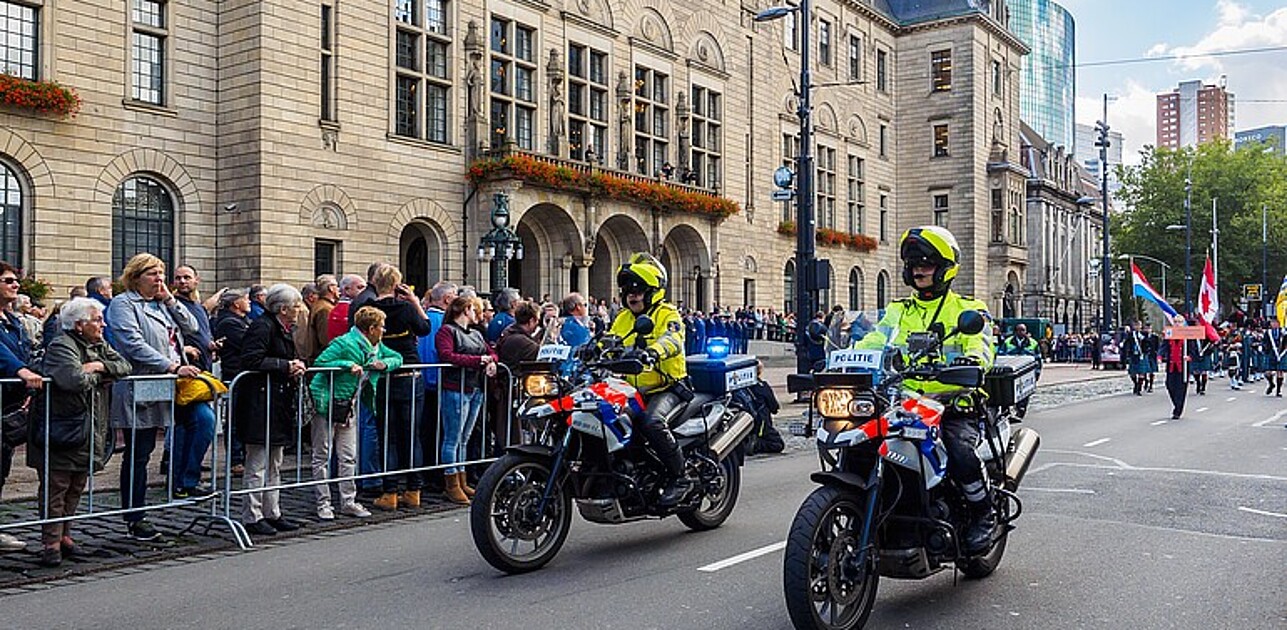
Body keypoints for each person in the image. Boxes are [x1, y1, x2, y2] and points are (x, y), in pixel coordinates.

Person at [854, 226, 997, 554]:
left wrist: (972, 361)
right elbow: (873, 340)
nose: (918, 268)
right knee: (863, 438)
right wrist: (844, 360)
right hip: (904, 403)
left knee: (960, 452)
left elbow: (981, 345)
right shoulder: (898, 311)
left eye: (927, 262)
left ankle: (983, 514)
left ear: (946, 267)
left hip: (953, 402)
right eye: (914, 262)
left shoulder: (967, 309)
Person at [27, 298, 131, 566]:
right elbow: (73, 380)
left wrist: (97, 366)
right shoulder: (62, 344)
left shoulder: (96, 344)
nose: (103, 324)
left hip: (86, 427)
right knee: (56, 486)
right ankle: (51, 541)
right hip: (61, 427)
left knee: (76, 485)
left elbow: (124, 366)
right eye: (97, 319)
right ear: (79, 324)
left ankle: (65, 536)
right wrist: (101, 375)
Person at [107, 254, 200, 542]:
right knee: (140, 453)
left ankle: (186, 479)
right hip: (142, 385)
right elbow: (132, 344)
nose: (159, 278)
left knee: (202, 420)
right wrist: (172, 366)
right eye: (151, 273)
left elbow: (192, 327)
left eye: (161, 272)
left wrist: (171, 300)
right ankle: (135, 516)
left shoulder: (162, 303)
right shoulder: (123, 304)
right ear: (135, 277)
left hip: (169, 385)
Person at [609, 253, 692, 507]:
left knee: (652, 422)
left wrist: (654, 351)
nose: (632, 295)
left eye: (639, 289)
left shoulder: (667, 313)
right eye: (628, 290)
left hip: (668, 387)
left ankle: (681, 477)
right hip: (634, 391)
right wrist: (589, 348)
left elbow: (672, 339)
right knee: (611, 420)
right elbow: (610, 339)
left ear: (652, 291)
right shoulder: (623, 318)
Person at [309, 306, 402, 520]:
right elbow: (320, 363)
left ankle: (348, 501)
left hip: (349, 405)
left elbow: (397, 357)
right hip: (326, 403)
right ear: (371, 328)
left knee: (348, 455)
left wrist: (384, 364)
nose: (384, 330)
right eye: (381, 326)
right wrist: (345, 364)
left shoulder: (376, 346)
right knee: (322, 455)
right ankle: (323, 503)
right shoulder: (344, 342)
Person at [237, 284, 306, 537]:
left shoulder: (282, 327)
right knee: (257, 462)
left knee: (275, 462)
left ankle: (272, 511)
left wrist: (294, 366)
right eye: (296, 306)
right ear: (284, 308)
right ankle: (252, 515)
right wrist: (286, 365)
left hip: (276, 402)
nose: (299, 309)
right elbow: (251, 359)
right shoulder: (263, 326)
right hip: (259, 402)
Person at [367, 264, 431, 510]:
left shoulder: (369, 309)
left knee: (387, 436)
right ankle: (414, 489)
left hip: (383, 374)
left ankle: (390, 491)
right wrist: (414, 301)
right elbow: (424, 328)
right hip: (410, 372)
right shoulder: (405, 308)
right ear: (397, 285)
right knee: (410, 434)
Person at [435, 296, 497, 505]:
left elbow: (492, 352)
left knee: (464, 437)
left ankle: (460, 478)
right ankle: (451, 482)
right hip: (456, 388)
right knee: (452, 437)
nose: (476, 314)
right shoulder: (447, 331)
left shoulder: (477, 334)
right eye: (472, 309)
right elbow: (447, 355)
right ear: (465, 310)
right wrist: (478, 361)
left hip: (474, 387)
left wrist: (491, 362)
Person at [0, 262, 44, 552]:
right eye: (8, 280)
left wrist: (29, 379)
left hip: (9, 402)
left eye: (16, 281)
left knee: (1, 467)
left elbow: (25, 352)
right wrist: (22, 371)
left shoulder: (13, 321)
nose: (15, 285)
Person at [170, 265, 218, 499]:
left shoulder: (198, 307)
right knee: (201, 422)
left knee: (191, 427)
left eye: (186, 277)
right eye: (178, 278)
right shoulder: (171, 306)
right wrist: (182, 349)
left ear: (196, 280)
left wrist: (211, 346)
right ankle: (183, 479)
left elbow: (201, 333)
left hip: (201, 375)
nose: (182, 281)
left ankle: (184, 481)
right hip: (182, 376)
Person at [417, 281, 457, 495]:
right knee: (441, 432)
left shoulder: (423, 319)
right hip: (439, 382)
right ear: (447, 299)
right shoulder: (444, 323)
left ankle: (425, 474)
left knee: (426, 431)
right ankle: (437, 476)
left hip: (423, 381)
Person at [212, 289, 251, 474]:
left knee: (242, 417)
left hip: (242, 374)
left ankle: (241, 455)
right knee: (235, 418)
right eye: (245, 299)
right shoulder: (229, 322)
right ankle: (235, 458)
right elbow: (247, 344)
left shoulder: (240, 320)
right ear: (236, 303)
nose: (248, 301)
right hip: (235, 374)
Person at [998, 323, 1042, 418]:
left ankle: (1021, 411)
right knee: (1008, 392)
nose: (1021, 332)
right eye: (1019, 330)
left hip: (1026, 372)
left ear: (1026, 331)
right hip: (1012, 373)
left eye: (1023, 330)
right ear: (1015, 331)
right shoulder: (1008, 342)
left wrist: (1037, 374)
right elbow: (1000, 356)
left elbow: (1038, 360)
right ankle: (1006, 411)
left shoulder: (1033, 343)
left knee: (1024, 393)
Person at [1159, 316, 1196, 420]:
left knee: (1181, 388)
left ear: (1183, 323)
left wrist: (1189, 357)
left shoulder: (1188, 336)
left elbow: (1194, 350)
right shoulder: (1170, 333)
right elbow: (1164, 346)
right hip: (1171, 365)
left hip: (1182, 366)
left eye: (1179, 322)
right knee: (1169, 385)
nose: (1177, 324)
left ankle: (1178, 410)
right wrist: (1160, 355)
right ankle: (1176, 403)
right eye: (1175, 322)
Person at [327, 274, 367, 344]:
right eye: (360, 287)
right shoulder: (351, 309)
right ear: (347, 289)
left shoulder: (334, 309)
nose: (363, 291)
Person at [308, 274, 339, 362]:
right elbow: (325, 338)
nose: (338, 289)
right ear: (331, 288)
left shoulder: (319, 305)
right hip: (324, 357)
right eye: (336, 286)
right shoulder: (325, 309)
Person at [1122, 321, 1148, 396]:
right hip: (1133, 355)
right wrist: (1127, 352)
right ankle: (1136, 384)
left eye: (1138, 325)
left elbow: (1148, 343)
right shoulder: (1131, 335)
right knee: (1132, 373)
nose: (1137, 327)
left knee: (1141, 373)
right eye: (1135, 325)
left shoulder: (1144, 334)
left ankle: (1139, 389)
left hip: (1141, 355)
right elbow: (1127, 343)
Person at [1264, 318, 1284, 397]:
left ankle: (1278, 391)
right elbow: (1265, 341)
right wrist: (1264, 347)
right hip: (1271, 352)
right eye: (1272, 323)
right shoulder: (1268, 332)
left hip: (1281, 352)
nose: (1273, 324)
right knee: (1267, 372)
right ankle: (1271, 384)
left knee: (1280, 371)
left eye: (1275, 323)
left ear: (1278, 324)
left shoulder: (1283, 331)